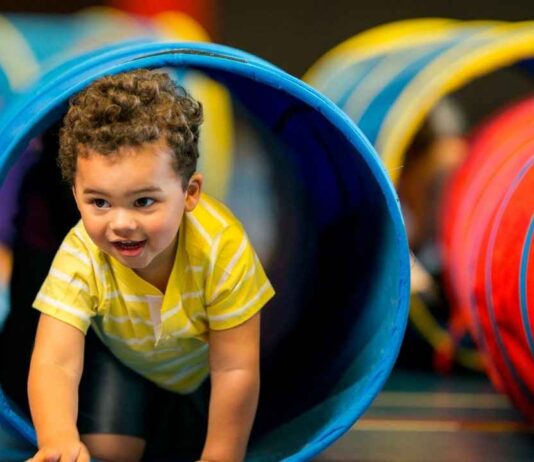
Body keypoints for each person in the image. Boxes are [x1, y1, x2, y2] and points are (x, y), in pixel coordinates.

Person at [26, 69, 275, 462]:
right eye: (99, 202)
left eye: (143, 202)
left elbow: (235, 368)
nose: (121, 223)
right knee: (106, 452)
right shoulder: (82, 253)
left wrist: (222, 454)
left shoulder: (220, 247)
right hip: (125, 360)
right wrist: (58, 439)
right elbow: (54, 359)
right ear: (75, 193)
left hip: (202, 370)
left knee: (195, 444)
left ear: (189, 193)